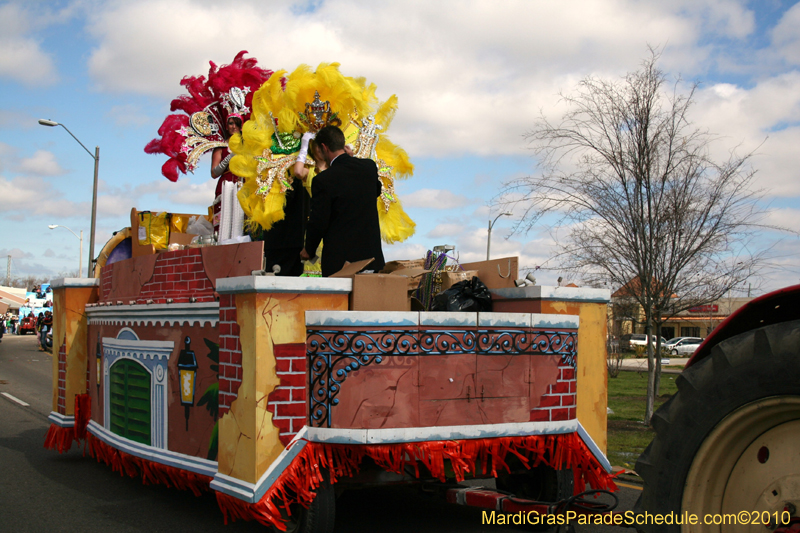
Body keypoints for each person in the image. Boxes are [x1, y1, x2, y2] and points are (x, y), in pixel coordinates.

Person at [301, 125, 385, 277]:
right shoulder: (368, 167)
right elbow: (376, 190)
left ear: (324, 148)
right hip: (371, 259)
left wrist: (309, 249)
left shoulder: (323, 180)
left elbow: (319, 220)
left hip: (340, 264)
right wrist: (352, 160)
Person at [210, 114, 244, 234]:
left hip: (244, 185)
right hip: (225, 186)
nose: (234, 126)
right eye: (231, 123)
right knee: (223, 220)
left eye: (237, 123)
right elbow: (214, 173)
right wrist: (228, 158)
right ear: (226, 126)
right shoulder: (220, 147)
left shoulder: (249, 144)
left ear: (241, 126)